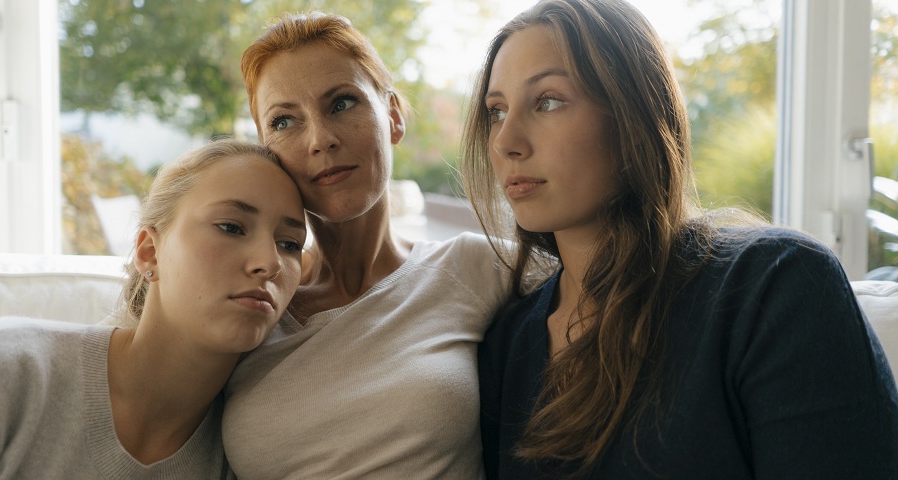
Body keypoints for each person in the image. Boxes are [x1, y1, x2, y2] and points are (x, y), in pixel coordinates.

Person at [460, 0, 898, 478]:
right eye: (497, 111)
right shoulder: (506, 345)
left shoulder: (775, 285)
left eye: (547, 100)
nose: (506, 141)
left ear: (634, 115)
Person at [224, 12, 511, 479]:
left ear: (393, 116)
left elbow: (620, 271)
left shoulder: (472, 267)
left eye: (341, 104)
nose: (321, 140)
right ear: (265, 150)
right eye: (284, 121)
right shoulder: (251, 297)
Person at [0, 139, 306, 479]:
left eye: (289, 244)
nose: (269, 262)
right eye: (231, 226)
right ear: (150, 251)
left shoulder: (252, 459)